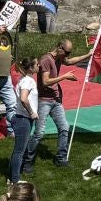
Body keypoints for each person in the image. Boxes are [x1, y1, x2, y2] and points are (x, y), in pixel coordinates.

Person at [34, 37, 86, 166]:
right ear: (60, 48)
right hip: (44, 100)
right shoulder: (46, 60)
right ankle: (28, 160)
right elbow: (45, 81)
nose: (68, 55)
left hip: (56, 100)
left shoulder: (59, 57)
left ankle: (61, 159)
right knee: (39, 133)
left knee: (64, 128)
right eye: (67, 52)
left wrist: (88, 55)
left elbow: (69, 62)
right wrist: (64, 76)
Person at [6, 56, 40, 183]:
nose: (39, 66)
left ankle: (11, 177)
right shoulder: (28, 81)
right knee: (19, 152)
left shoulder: (24, 79)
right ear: (31, 68)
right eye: (37, 64)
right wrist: (32, 112)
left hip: (20, 118)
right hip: (23, 120)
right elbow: (24, 98)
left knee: (18, 150)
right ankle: (15, 180)